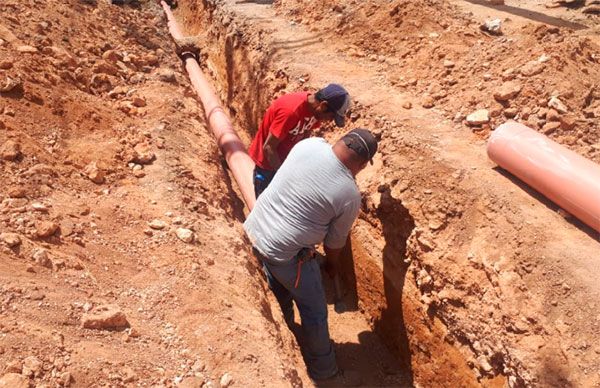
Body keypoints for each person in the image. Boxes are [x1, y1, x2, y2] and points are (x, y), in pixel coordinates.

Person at [244, 128, 378, 380]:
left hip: (252, 231)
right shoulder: (349, 194)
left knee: (277, 281)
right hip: (283, 253)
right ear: (361, 164)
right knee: (315, 309)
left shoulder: (309, 145)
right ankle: (326, 373)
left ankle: (286, 327)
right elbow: (334, 243)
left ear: (340, 140)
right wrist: (332, 265)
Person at [248, 84, 351, 198]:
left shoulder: (315, 112)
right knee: (266, 204)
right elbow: (269, 147)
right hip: (268, 165)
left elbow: (304, 137)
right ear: (323, 105)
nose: (329, 121)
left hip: (285, 163)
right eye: (331, 117)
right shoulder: (290, 111)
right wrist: (284, 178)